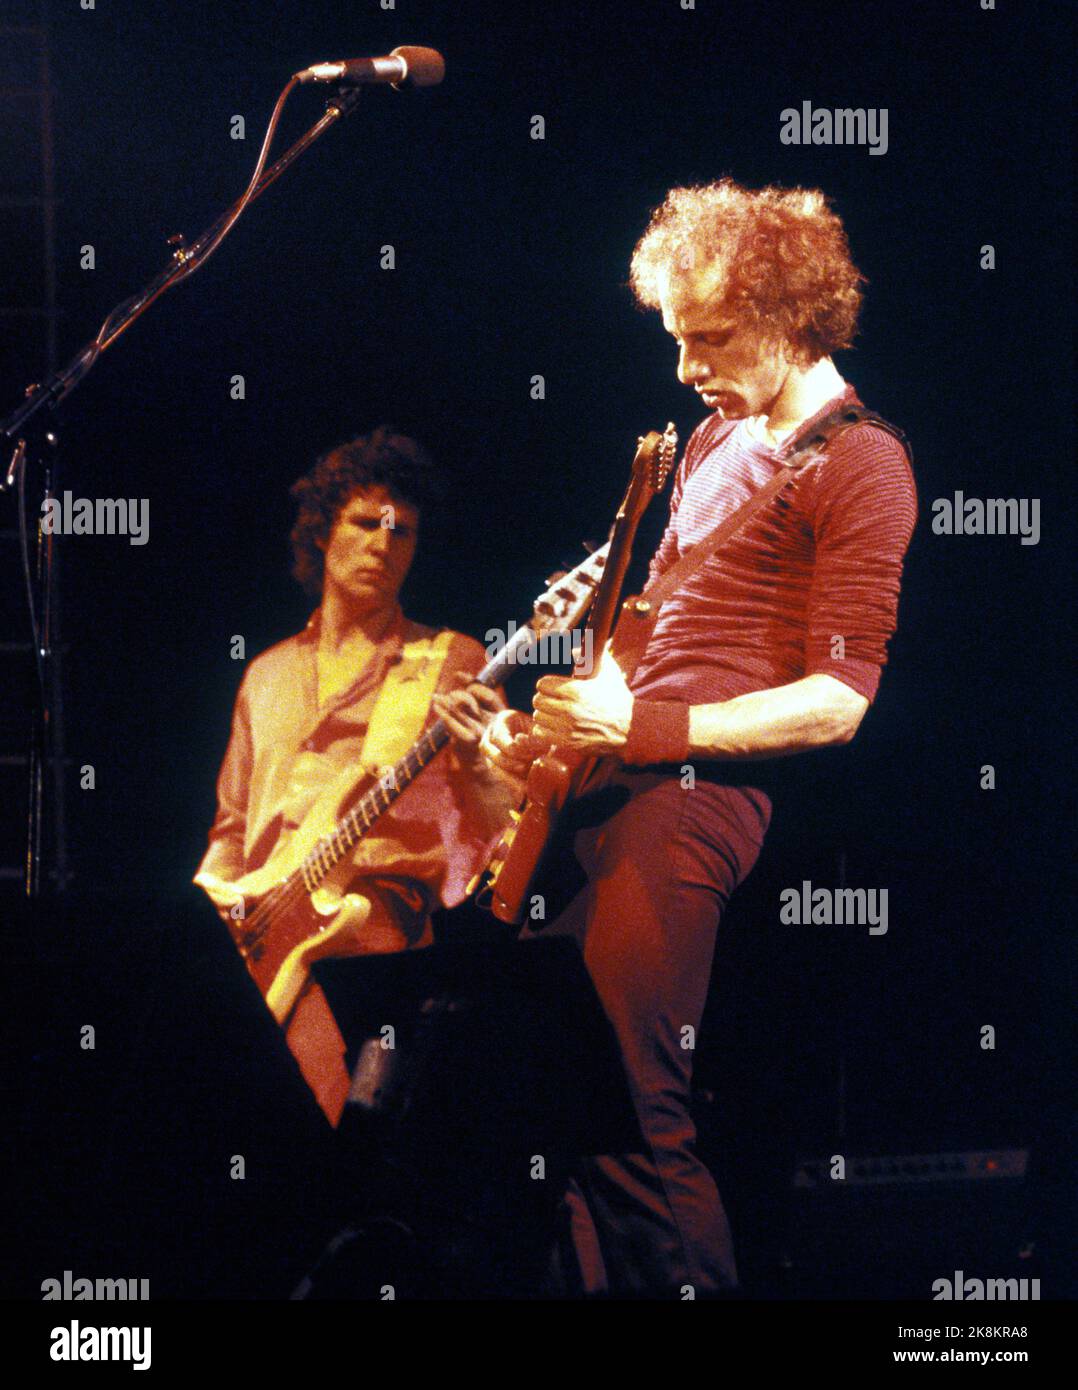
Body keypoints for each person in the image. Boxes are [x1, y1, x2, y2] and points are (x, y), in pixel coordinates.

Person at [471, 179, 919, 1296]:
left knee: (633, 1108)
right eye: (676, 337)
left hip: (691, 801)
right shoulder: (715, 438)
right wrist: (553, 742)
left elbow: (841, 699)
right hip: (610, 782)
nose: (684, 367)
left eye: (709, 338)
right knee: (554, 1112)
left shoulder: (863, 460)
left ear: (788, 314)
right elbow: (650, 631)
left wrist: (646, 724)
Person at [195, 427, 513, 1126]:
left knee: (313, 1124)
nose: (383, 545)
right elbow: (229, 829)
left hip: (373, 948)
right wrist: (206, 908)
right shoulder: (267, 674)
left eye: (402, 533)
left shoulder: (447, 662)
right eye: (366, 524)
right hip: (258, 936)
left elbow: (506, 835)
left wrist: (472, 758)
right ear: (320, 533)